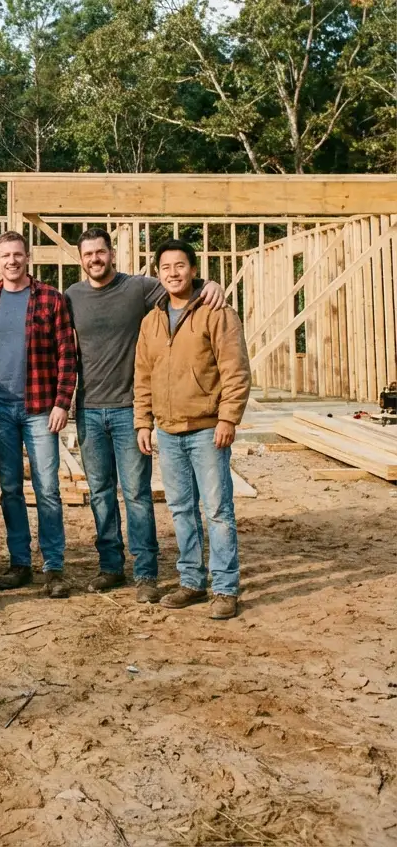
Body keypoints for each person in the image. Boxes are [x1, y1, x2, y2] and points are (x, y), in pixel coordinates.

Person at [65, 227, 225, 603]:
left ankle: (146, 572)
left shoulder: (138, 288)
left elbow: (179, 287)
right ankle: (110, 567)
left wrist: (209, 285)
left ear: (111, 253)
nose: (95, 259)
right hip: (88, 409)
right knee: (101, 493)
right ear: (81, 258)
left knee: (136, 494)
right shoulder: (72, 296)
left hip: (128, 410)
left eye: (100, 252)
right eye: (88, 254)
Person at [133, 239, 251, 620]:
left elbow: (235, 369)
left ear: (194, 270)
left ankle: (225, 588)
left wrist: (228, 418)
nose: (173, 273)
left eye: (180, 265)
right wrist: (143, 422)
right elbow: (143, 378)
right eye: (166, 267)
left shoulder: (216, 312)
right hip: (166, 431)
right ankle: (191, 581)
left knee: (217, 510)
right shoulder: (151, 321)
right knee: (182, 509)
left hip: (205, 429)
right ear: (158, 273)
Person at [0, 231, 76, 598]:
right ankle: (20, 562)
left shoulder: (50, 299)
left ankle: (53, 567)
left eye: (18, 254)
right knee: (11, 489)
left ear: (28, 257)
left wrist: (62, 402)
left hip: (39, 409)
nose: (12, 261)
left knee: (47, 489)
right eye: (5, 256)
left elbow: (67, 354)